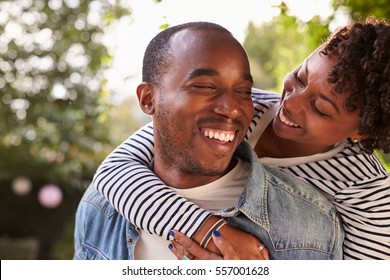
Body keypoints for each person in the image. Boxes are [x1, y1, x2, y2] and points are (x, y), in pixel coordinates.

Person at [91, 17, 390, 260]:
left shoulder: (368, 195)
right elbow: (114, 171)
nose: (292, 103)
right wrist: (209, 231)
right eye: (300, 77)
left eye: (319, 108)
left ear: (360, 131)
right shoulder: (244, 108)